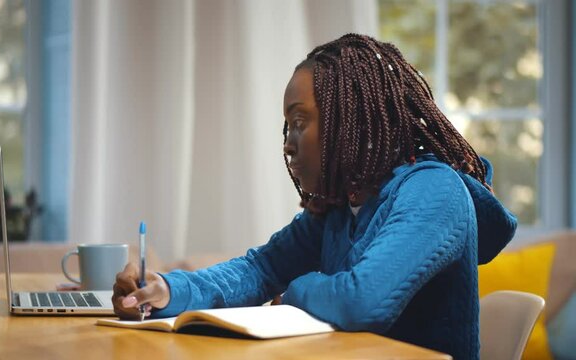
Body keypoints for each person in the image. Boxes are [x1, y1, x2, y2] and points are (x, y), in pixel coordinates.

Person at [112, 34, 516, 359]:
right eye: (287, 127)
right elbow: (261, 267)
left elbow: (363, 303)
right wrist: (167, 289)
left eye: (299, 122)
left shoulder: (433, 190)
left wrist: (296, 290)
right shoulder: (341, 206)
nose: (288, 145)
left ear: (350, 119)